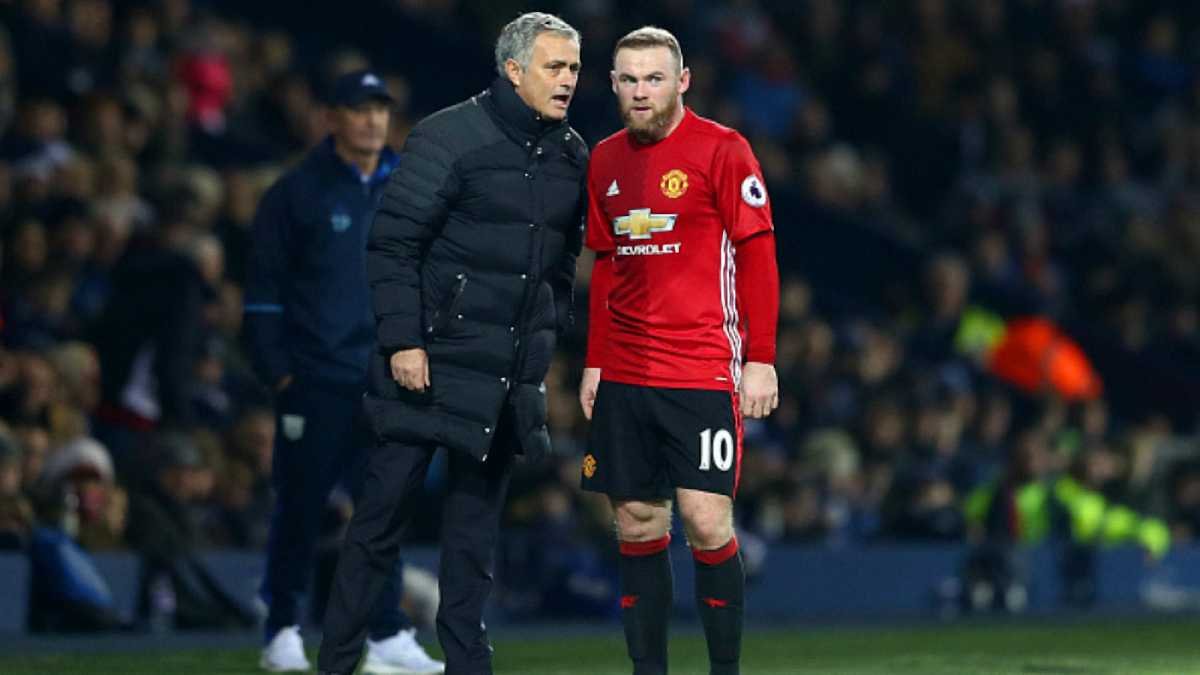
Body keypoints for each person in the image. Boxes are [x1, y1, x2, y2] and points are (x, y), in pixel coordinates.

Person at [317, 12, 588, 675]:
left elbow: (558, 269)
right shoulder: (449, 135)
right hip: (429, 364)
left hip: (502, 376)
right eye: (554, 66)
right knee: (379, 525)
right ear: (513, 70)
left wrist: (543, 352)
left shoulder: (571, 154)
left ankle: (469, 664)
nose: (568, 79)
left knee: (473, 539)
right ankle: (337, 661)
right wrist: (403, 341)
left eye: (575, 68)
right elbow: (392, 245)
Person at [578, 27, 780, 675]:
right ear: (613, 84)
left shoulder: (723, 149)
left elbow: (757, 252)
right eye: (630, 79)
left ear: (682, 81)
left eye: (654, 78)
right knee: (637, 521)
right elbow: (606, 265)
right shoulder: (604, 159)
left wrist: (760, 357)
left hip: (700, 366)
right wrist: (595, 360)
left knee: (705, 518)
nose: (641, 91)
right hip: (625, 371)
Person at [243, 69, 442, 674]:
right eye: (359, 109)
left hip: (385, 379)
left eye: (380, 108)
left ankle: (384, 634)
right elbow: (263, 293)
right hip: (316, 379)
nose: (373, 120)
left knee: (382, 509)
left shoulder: (411, 187)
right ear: (331, 118)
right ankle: (282, 626)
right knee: (301, 506)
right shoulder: (296, 194)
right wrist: (280, 374)